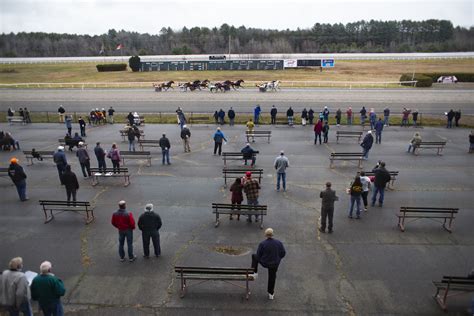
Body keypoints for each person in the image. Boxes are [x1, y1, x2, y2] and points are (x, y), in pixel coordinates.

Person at [251, 228, 286, 300]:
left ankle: (254, 272)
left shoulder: (262, 244)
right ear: (272, 234)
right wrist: (278, 258)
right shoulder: (279, 243)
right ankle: (271, 293)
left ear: (266, 235)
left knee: (254, 256)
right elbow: (283, 253)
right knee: (272, 277)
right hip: (275, 263)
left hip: (265, 262)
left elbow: (258, 255)